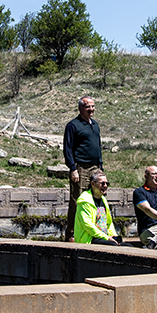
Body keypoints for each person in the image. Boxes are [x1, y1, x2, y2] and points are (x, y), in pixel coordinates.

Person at [63, 96, 103, 242]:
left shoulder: (95, 125)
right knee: (77, 201)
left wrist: (101, 167)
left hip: (95, 167)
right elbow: (67, 148)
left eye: (92, 106)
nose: (91, 109)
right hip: (80, 167)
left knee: (98, 199)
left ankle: (100, 231)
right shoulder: (73, 125)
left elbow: (98, 146)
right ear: (80, 108)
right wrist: (73, 168)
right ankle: (72, 234)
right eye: (87, 107)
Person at [74, 171, 121, 245]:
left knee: (127, 246)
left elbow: (109, 223)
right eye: (102, 183)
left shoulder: (103, 199)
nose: (105, 186)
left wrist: (114, 236)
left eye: (107, 183)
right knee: (113, 246)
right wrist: (106, 238)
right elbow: (88, 225)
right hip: (89, 239)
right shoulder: (85, 200)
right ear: (93, 184)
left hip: (104, 237)